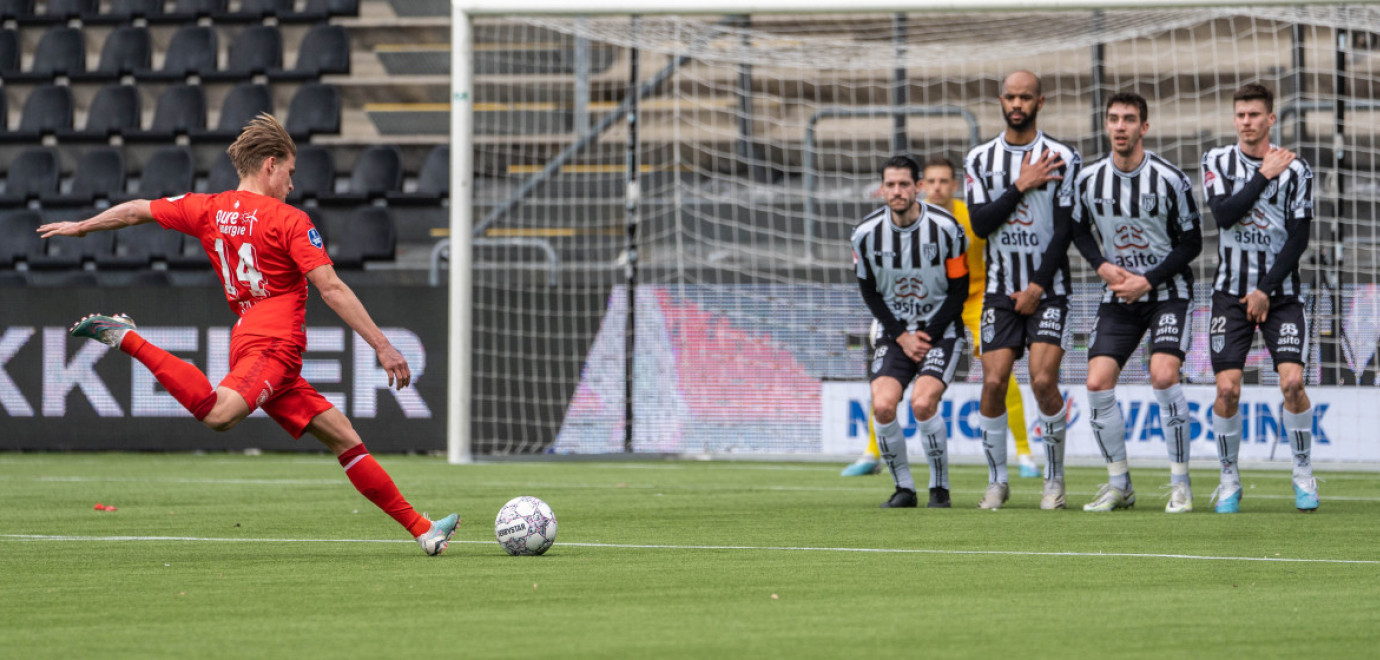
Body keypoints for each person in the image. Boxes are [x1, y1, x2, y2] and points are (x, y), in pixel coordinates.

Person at [37, 113, 462, 554]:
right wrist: (383, 345)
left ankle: (422, 530)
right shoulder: (289, 220)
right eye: (290, 174)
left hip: (255, 340)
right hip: (273, 345)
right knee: (219, 414)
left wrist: (83, 226)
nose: (292, 185)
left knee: (343, 435)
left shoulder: (207, 207)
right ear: (270, 166)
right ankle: (126, 338)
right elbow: (331, 288)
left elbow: (136, 210)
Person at [841, 156, 1039, 481]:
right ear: (923, 186)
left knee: (1000, 373)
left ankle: (1024, 452)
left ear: (954, 185)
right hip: (915, 308)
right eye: (931, 181)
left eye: (943, 181)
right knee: (882, 378)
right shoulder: (890, 225)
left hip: (975, 300)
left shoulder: (968, 218)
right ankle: (872, 452)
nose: (937, 187)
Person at [1072, 92, 1203, 513]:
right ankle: (1119, 485)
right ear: (1106, 125)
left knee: (1163, 376)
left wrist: (1147, 280)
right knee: (1096, 383)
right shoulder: (1089, 179)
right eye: (1113, 119)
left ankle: (1180, 484)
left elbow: (1192, 242)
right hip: (1119, 294)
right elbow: (1074, 227)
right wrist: (1101, 266)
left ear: (1144, 127)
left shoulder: (1169, 179)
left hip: (1167, 293)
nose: (1121, 126)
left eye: (1129, 119)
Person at [963, 70, 1082, 509]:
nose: (1017, 104)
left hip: (1048, 290)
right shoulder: (979, 159)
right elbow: (979, 223)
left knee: (1043, 380)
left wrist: (1036, 285)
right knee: (993, 381)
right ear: (1000, 100)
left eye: (1025, 97)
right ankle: (997, 480)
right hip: (998, 290)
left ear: (1040, 102)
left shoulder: (1064, 157)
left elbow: (1066, 229)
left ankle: (1053, 480)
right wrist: (1020, 185)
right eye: (1010, 97)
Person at [1200, 84, 1319, 513]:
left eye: (1255, 114)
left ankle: (1303, 470)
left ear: (1271, 119)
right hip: (1230, 295)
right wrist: (1263, 174)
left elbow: (1299, 238)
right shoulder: (1215, 161)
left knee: (1292, 382)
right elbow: (1225, 216)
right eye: (1240, 115)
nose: (1247, 121)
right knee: (1227, 390)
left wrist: (1266, 289)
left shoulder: (1298, 170)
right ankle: (1229, 477)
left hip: (1280, 294)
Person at [850, 155, 970, 508]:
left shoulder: (947, 228)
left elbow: (959, 289)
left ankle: (939, 489)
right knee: (883, 406)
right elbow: (869, 290)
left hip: (941, 331)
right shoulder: (865, 234)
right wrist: (901, 334)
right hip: (894, 333)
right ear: (882, 189)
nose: (897, 191)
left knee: (922, 403)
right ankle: (904, 488)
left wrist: (926, 335)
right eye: (891, 185)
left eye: (904, 184)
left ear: (918, 187)